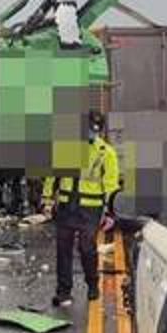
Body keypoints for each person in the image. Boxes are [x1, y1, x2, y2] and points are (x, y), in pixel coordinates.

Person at [46, 109, 121, 307]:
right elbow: (53, 175)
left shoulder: (107, 153)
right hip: (66, 206)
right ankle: (63, 291)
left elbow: (111, 184)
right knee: (63, 250)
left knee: (87, 248)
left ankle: (92, 284)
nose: (91, 133)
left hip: (91, 208)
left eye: (94, 130)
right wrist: (46, 200)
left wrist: (111, 212)